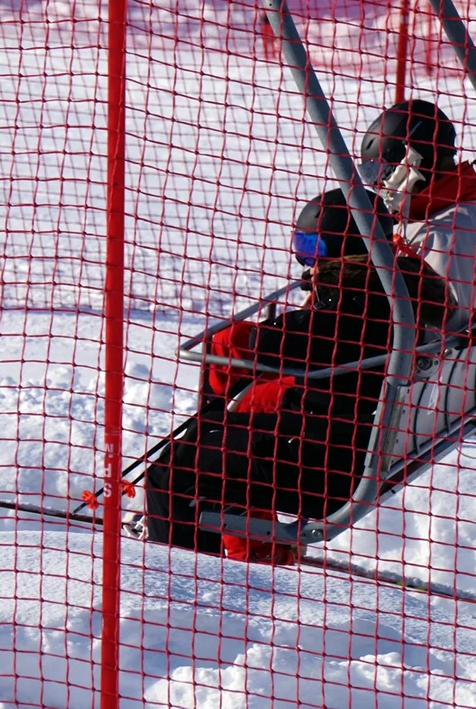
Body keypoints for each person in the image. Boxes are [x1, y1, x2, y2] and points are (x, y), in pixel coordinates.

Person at [144, 189, 450, 562]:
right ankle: (245, 546)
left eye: (314, 247)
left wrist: (244, 339)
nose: (307, 260)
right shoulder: (400, 290)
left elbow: (272, 342)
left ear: (345, 248)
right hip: (355, 442)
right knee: (210, 444)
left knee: (171, 475)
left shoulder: (353, 310)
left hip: (328, 468)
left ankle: (188, 588)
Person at [359, 99, 476, 327]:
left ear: (418, 159)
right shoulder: (430, 213)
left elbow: (441, 331)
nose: (381, 185)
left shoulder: (447, 234)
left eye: (386, 172)